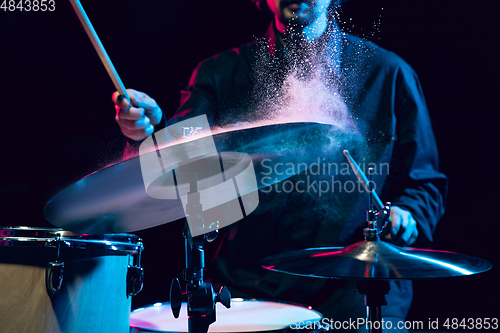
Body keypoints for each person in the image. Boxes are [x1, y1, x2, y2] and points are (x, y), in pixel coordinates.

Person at [113, 1, 447, 331]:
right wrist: (152, 131)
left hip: (352, 292)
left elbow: (425, 184)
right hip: (246, 288)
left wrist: (408, 214)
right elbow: (183, 176)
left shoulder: (387, 73)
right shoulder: (220, 74)